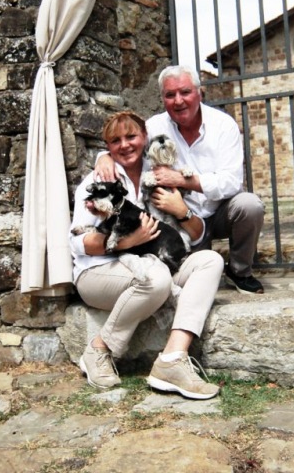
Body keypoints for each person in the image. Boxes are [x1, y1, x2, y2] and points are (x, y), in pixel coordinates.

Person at [69, 110, 224, 400]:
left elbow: (197, 235)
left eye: (131, 136)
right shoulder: (99, 179)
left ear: (144, 137)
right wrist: (128, 242)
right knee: (156, 279)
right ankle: (99, 349)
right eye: (115, 141)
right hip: (99, 271)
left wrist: (182, 211)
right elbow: (79, 244)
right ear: (107, 146)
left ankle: (172, 359)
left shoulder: (163, 175)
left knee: (211, 260)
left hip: (157, 261)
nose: (125, 145)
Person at [95, 65, 265, 295]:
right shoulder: (154, 126)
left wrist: (185, 181)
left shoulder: (223, 125)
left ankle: (240, 271)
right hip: (180, 220)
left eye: (185, 92)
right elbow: (129, 146)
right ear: (162, 98)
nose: (178, 101)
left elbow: (232, 182)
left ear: (199, 92)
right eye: (170, 95)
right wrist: (104, 156)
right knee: (194, 279)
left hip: (220, 211)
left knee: (250, 205)